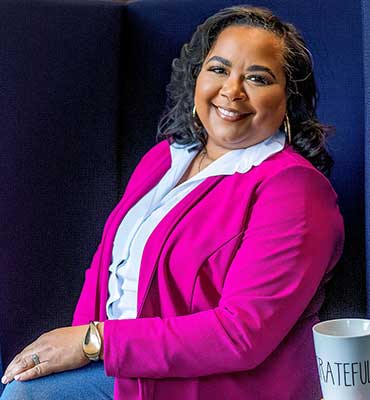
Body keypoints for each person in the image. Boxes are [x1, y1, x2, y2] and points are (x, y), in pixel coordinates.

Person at [1, 5, 344, 400]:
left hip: (217, 386)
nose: (232, 90)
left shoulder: (294, 189)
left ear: (288, 100)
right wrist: (71, 355)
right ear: (196, 77)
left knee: (29, 397)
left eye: (257, 77)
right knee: (22, 379)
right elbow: (106, 270)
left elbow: (241, 334)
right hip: (124, 368)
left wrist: (92, 343)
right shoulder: (166, 157)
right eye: (218, 69)